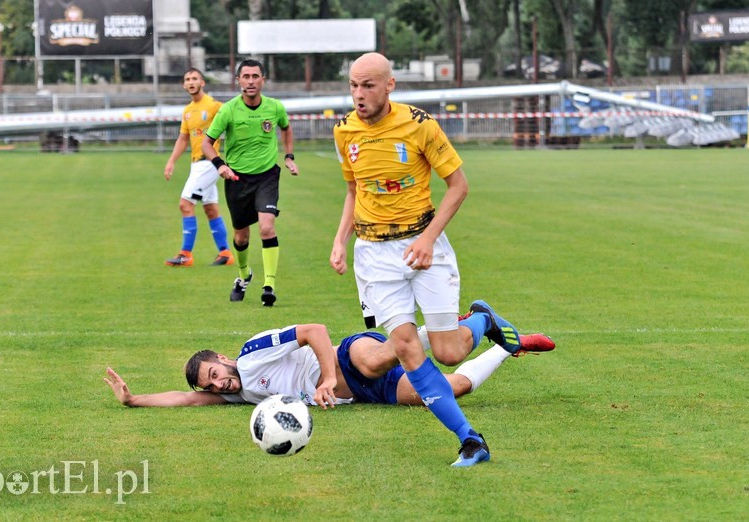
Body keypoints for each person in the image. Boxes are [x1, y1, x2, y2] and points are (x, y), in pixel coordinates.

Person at [329, 52, 522, 467]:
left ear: (390, 85)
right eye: (353, 86)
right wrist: (339, 241)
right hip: (374, 254)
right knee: (403, 347)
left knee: (449, 352)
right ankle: (470, 439)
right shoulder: (344, 131)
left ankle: (482, 320)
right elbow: (353, 191)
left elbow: (458, 186)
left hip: (423, 243)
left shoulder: (420, 125)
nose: (359, 95)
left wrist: (430, 239)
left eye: (368, 86)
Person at [104, 303, 555, 427]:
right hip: (360, 393)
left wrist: (327, 377)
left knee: (379, 355)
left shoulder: (252, 352)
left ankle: (467, 322)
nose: (219, 384)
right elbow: (184, 398)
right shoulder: (239, 395)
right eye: (213, 384)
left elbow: (315, 330)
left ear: (222, 359)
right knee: (448, 388)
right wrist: (133, 400)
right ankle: (500, 342)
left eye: (216, 373)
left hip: (345, 356)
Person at [200, 59, 299, 306]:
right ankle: (244, 275)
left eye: (256, 76)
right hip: (236, 179)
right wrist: (220, 165)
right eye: (246, 76)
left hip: (266, 175)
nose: (251, 81)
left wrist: (288, 156)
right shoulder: (228, 110)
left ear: (263, 80)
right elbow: (206, 143)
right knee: (241, 237)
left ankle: (269, 286)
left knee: (267, 227)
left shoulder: (275, 107)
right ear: (239, 81)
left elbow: (286, 129)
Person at [163, 68, 234, 267]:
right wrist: (171, 161)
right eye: (187, 79)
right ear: (184, 85)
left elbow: (231, 126)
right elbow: (183, 138)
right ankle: (226, 254)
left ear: (202, 83)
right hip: (196, 164)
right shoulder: (187, 111)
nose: (191, 82)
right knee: (211, 209)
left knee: (185, 205)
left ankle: (185, 254)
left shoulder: (214, 106)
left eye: (195, 78)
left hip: (209, 163)